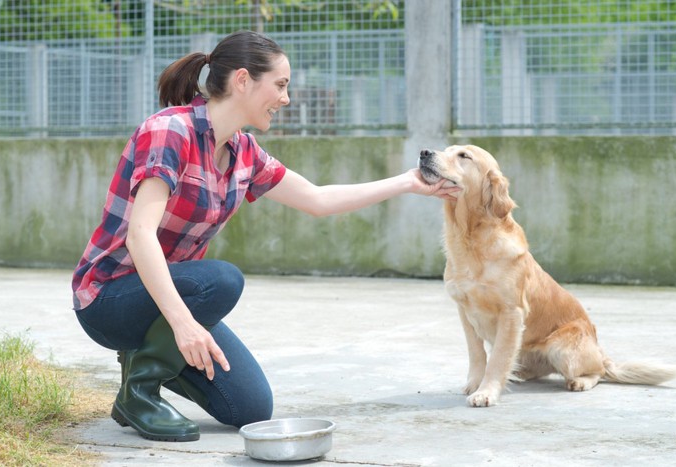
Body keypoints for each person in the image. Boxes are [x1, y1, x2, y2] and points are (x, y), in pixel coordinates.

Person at [71, 30, 458, 442]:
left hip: (168, 297)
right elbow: (140, 235)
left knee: (250, 407)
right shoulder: (170, 132)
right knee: (221, 280)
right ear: (243, 81)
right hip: (109, 298)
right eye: (280, 85)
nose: (286, 99)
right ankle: (139, 393)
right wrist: (184, 326)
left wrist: (408, 182)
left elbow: (318, 199)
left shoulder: (244, 152)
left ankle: (144, 356)